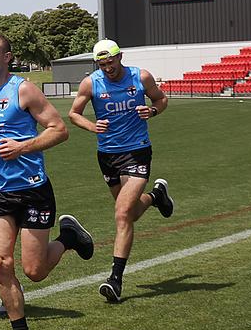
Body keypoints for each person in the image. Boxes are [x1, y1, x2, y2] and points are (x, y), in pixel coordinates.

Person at [0, 34, 95, 330]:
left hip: (33, 189)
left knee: (34, 271)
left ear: (7, 58)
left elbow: (59, 129)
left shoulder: (23, 90)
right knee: (0, 263)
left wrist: (22, 147)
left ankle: (68, 238)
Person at [67, 39, 174, 302]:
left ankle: (115, 279)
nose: (107, 68)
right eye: (102, 64)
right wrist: (91, 126)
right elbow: (73, 114)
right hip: (107, 155)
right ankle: (156, 197)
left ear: (120, 57)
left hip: (137, 150)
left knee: (123, 212)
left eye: (110, 62)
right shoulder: (91, 83)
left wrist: (152, 110)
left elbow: (161, 100)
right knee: (132, 211)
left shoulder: (141, 77)